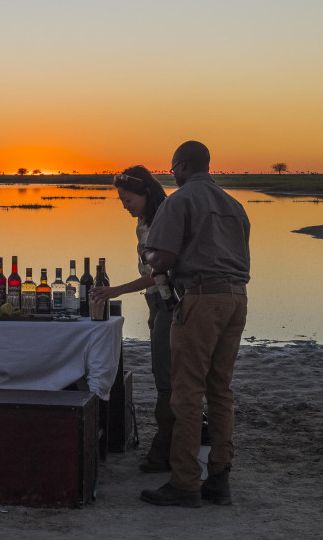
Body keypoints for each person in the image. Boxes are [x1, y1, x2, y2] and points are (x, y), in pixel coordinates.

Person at [140, 141, 250, 508]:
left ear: (182, 165)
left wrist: (149, 255)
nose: (172, 174)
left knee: (186, 392)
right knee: (221, 390)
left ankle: (185, 482)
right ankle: (220, 478)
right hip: (237, 299)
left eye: (172, 168)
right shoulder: (234, 205)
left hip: (201, 299)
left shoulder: (180, 200)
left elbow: (165, 257)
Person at [88, 165, 176, 472]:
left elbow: (158, 274)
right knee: (163, 374)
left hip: (170, 304)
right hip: (158, 304)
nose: (125, 206)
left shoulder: (164, 219)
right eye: (121, 201)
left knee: (167, 379)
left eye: (128, 199)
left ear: (145, 192)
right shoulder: (147, 220)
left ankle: (165, 453)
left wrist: (115, 291)